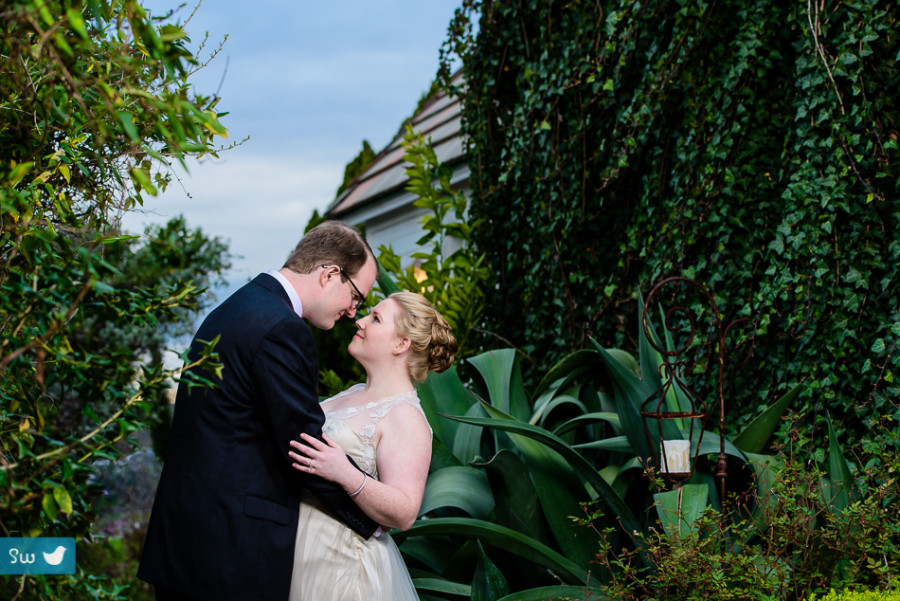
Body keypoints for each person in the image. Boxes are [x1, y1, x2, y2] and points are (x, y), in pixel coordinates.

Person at [138, 221, 380, 601]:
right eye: (356, 297)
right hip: (229, 554)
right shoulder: (282, 329)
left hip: (188, 541)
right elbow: (303, 446)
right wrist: (373, 514)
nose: (353, 312)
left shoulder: (236, 306)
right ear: (330, 274)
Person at [285, 291, 457, 600]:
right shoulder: (349, 393)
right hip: (298, 545)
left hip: (341, 563)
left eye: (375, 318)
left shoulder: (405, 416)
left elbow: (405, 512)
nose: (360, 321)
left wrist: (344, 473)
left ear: (400, 344)